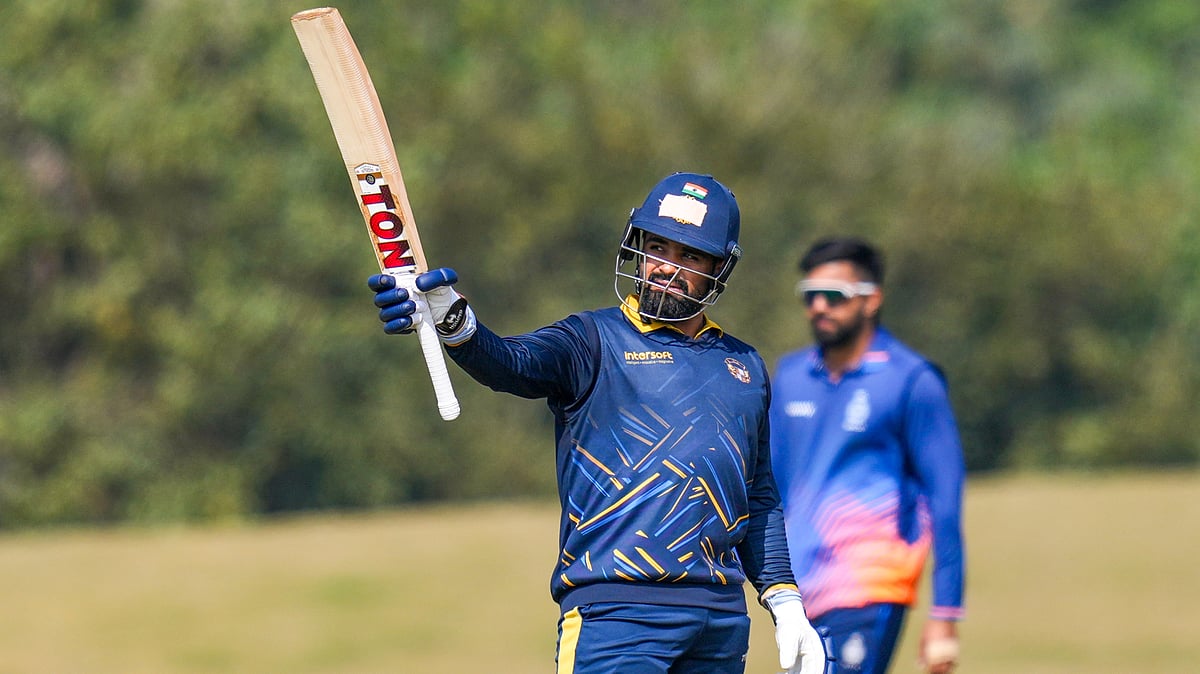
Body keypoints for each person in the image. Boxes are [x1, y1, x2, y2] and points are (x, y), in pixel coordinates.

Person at [368, 173, 826, 674]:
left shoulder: (745, 366)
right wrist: (456, 322)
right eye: (657, 247)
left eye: (689, 257)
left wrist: (785, 601)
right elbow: (510, 362)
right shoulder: (591, 340)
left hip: (719, 623)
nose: (666, 268)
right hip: (615, 614)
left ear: (720, 267)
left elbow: (757, 496)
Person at [769, 237, 966, 674]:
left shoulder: (913, 381)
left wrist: (945, 615)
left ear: (872, 300)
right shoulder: (789, 377)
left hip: (870, 584)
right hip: (800, 592)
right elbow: (771, 488)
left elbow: (946, 504)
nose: (820, 306)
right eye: (810, 296)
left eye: (835, 296)